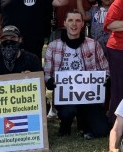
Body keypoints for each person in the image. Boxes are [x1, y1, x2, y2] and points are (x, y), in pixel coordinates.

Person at [44, 10, 110, 138]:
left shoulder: (93, 44)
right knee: (68, 111)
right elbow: (47, 74)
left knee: (101, 130)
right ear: (64, 23)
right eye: (70, 20)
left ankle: (83, 122)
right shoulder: (53, 46)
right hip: (65, 97)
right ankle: (65, 123)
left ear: (82, 24)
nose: (74, 24)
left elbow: (105, 69)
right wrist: (51, 81)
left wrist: (106, 78)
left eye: (78, 21)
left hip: (89, 96)